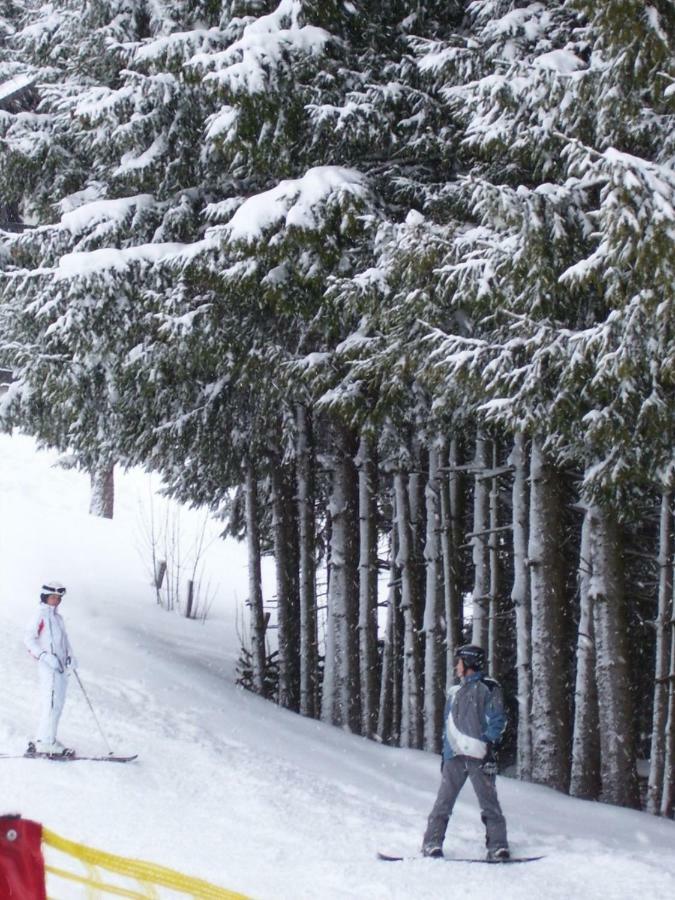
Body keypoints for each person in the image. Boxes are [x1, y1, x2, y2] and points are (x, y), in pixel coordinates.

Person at [421, 644, 510, 861]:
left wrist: (490, 747)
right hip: (454, 756)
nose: (456, 667)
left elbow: (498, 720)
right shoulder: (454, 691)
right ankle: (432, 843)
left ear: (469, 662)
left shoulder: (489, 687)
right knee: (443, 802)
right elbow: (447, 724)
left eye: (459, 662)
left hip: (480, 756)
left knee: (489, 804)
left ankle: (497, 846)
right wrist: (445, 753)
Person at [24, 581, 77, 756]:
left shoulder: (57, 618)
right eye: (53, 597)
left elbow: (64, 640)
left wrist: (70, 656)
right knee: (52, 704)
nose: (56, 600)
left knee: (57, 704)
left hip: (60, 667)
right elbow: (29, 641)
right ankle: (46, 743)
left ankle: (45, 737)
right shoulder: (40, 616)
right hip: (49, 667)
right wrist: (45, 657)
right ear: (45, 597)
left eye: (58, 598)